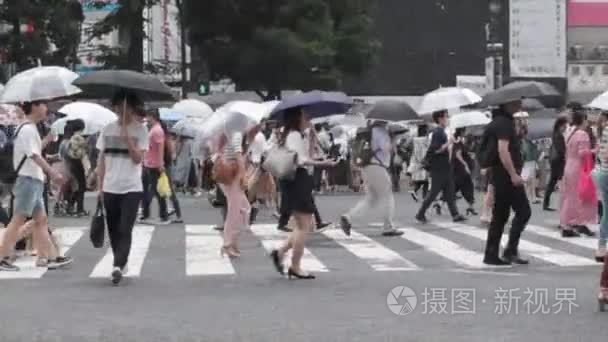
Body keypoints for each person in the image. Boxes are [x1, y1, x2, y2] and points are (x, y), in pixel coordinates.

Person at [0, 101, 71, 271]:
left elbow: (34, 151)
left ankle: (44, 258)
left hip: (33, 179)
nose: (46, 109)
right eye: (43, 105)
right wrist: (53, 174)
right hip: (28, 180)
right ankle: (2, 257)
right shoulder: (27, 129)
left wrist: (46, 140)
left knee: (41, 220)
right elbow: (34, 156)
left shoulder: (28, 128)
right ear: (34, 107)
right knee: (18, 220)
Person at [270, 107, 337, 279]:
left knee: (302, 225)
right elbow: (300, 160)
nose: (308, 119)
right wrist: (322, 164)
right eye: (305, 116)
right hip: (297, 179)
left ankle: (280, 252)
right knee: (303, 226)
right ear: (296, 117)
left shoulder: (291, 134)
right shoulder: (294, 135)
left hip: (293, 180)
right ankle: (295, 266)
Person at [96, 90, 148, 285]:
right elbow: (101, 160)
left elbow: (137, 160)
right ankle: (121, 260)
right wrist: (99, 187)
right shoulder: (107, 129)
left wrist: (128, 140)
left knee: (125, 228)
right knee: (113, 229)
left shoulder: (141, 130)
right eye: (117, 106)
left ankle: (117, 265)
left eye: (125, 106)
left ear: (133, 108)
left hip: (132, 187)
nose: (121, 110)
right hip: (110, 186)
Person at [483, 100, 530, 266]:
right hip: (506, 176)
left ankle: (493, 253)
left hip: (500, 175)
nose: (519, 105)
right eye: (516, 102)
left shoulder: (500, 122)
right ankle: (508, 251)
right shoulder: (503, 124)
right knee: (523, 211)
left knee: (500, 215)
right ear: (506, 104)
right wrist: (513, 174)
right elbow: (503, 150)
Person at [340, 121, 404, 237]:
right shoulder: (381, 132)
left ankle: (348, 217)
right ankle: (388, 227)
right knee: (387, 196)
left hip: (367, 166)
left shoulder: (369, 131)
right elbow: (385, 148)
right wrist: (394, 139)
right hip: (377, 167)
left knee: (371, 199)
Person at [415, 111, 466, 223]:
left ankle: (455, 214)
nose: (447, 119)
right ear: (440, 119)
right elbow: (436, 150)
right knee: (433, 193)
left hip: (445, 167)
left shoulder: (442, 132)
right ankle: (420, 213)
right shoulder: (438, 132)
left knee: (450, 191)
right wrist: (449, 142)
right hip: (439, 168)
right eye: (445, 117)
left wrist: (452, 141)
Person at [560, 110, 597, 237]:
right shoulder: (582, 134)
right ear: (582, 121)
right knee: (578, 197)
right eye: (586, 120)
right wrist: (594, 150)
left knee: (569, 196)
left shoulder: (570, 132)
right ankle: (570, 224)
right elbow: (582, 153)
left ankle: (569, 223)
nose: (587, 122)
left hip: (568, 165)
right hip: (577, 167)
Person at [216, 131, 250, 258]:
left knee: (242, 208)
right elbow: (238, 154)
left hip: (227, 174)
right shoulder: (236, 132)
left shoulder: (227, 131)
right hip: (232, 174)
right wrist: (243, 175)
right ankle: (227, 244)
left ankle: (232, 242)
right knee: (235, 210)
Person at [140, 109, 169, 224]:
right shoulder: (154, 129)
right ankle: (148, 214)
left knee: (157, 191)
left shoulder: (157, 130)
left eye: (148, 117)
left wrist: (161, 163)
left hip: (154, 164)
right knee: (154, 191)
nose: (147, 119)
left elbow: (161, 147)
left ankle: (162, 215)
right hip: (150, 163)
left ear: (153, 117)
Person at [543, 116, 568, 211]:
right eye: (564, 126)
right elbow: (561, 150)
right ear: (560, 125)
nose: (565, 128)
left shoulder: (556, 134)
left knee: (552, 182)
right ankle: (561, 204)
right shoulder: (558, 135)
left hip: (555, 161)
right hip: (558, 162)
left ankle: (546, 203)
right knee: (558, 182)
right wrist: (566, 153)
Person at [65, 119, 89, 216]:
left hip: (72, 163)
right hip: (78, 162)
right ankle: (79, 209)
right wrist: (85, 145)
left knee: (79, 186)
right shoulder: (78, 138)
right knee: (81, 186)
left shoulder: (72, 137)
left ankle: (71, 206)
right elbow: (80, 153)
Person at [451, 127, 477, 215]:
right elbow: (458, 155)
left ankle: (439, 203)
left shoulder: (458, 140)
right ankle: (470, 207)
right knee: (468, 187)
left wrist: (467, 154)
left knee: (455, 188)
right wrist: (465, 165)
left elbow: (459, 153)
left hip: (457, 169)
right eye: (464, 131)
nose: (465, 133)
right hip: (461, 169)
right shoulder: (458, 141)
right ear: (461, 131)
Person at [593, 111, 608, 262]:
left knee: (606, 212)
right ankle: (601, 247)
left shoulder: (605, 129)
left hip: (603, 172)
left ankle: (601, 247)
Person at [408, 124, 430, 201]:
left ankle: (414, 190)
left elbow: (411, 149)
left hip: (416, 161)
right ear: (425, 131)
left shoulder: (414, 140)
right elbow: (429, 149)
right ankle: (425, 197)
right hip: (425, 161)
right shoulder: (427, 139)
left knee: (419, 180)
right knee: (426, 180)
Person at [520, 124, 540, 204]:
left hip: (531, 160)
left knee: (531, 180)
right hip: (526, 161)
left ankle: (532, 197)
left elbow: (534, 150)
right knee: (527, 180)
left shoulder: (530, 140)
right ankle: (527, 197)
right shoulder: (524, 140)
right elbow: (525, 151)